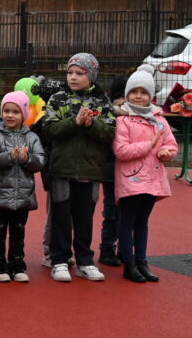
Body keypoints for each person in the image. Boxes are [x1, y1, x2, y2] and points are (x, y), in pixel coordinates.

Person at [41, 53, 116, 282]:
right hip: (61, 169)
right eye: (70, 72)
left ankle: (85, 261)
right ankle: (59, 260)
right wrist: (74, 122)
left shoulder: (102, 101)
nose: (73, 77)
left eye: (79, 73)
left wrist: (91, 124)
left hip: (90, 170)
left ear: (91, 75)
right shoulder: (57, 99)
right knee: (61, 218)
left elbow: (109, 132)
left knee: (85, 219)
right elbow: (49, 129)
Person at [112, 66, 177, 283]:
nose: (138, 96)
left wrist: (166, 152)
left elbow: (170, 144)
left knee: (142, 222)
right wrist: (150, 144)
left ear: (150, 96)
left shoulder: (159, 120)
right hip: (131, 179)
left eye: (143, 92)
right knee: (128, 221)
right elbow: (121, 151)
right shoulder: (123, 121)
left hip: (153, 179)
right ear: (127, 94)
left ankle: (142, 262)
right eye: (134, 92)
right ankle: (128, 263)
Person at [0, 91, 46, 282]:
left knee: (18, 233)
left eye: (15, 112)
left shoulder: (32, 137)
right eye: (6, 111)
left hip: (22, 196)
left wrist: (27, 159)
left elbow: (40, 161)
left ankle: (17, 266)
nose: (10, 115)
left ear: (24, 114)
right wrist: (9, 157)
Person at [98, 75, 129, 268]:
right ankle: (107, 248)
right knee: (112, 212)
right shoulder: (109, 114)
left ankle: (125, 248)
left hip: (132, 172)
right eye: (121, 96)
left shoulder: (138, 114)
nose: (124, 100)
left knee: (128, 212)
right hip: (111, 171)